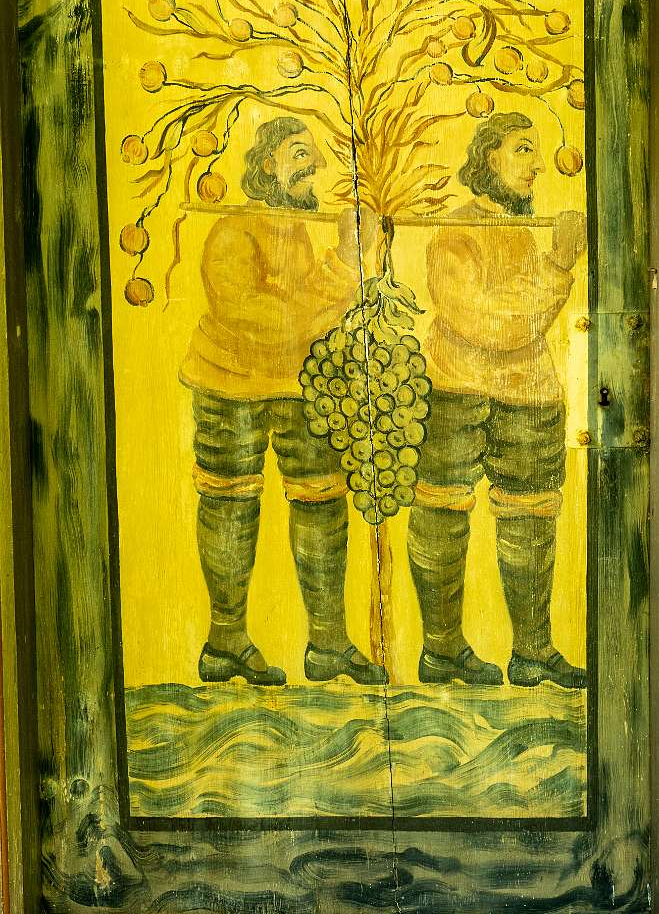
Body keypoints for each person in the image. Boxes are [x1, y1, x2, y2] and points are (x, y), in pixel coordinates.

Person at [180, 116, 385, 686]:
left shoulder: (297, 228)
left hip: (298, 384)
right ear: (267, 163)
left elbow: (315, 310)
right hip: (230, 385)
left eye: (312, 156)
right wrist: (344, 266)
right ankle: (225, 643)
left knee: (322, 503)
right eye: (299, 154)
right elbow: (268, 322)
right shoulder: (233, 233)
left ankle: (328, 645)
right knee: (229, 505)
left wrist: (354, 255)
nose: (314, 164)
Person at [408, 112, 587, 689]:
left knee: (531, 519)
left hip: (528, 394)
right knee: (440, 515)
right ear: (490, 158)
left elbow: (521, 318)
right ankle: (441, 651)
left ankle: (533, 652)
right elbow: (487, 322)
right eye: (523, 150)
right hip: (457, 390)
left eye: (536, 152)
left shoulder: (522, 229)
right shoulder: (457, 232)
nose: (537, 166)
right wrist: (557, 268)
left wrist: (549, 268)